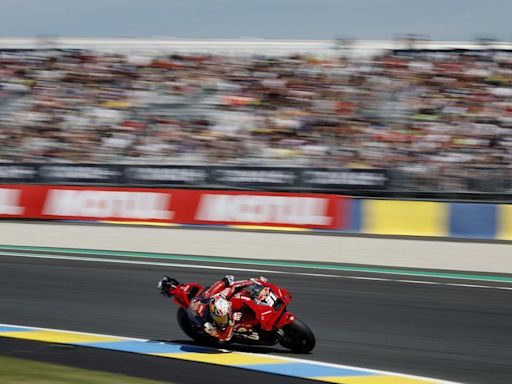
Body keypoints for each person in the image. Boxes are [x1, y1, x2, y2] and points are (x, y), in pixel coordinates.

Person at [158, 274, 268, 342]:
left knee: (231, 287)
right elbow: (225, 337)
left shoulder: (218, 296)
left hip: (206, 297)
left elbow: (234, 286)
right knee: (220, 337)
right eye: (220, 318)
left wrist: (254, 280)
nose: (223, 319)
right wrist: (231, 322)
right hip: (199, 312)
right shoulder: (207, 324)